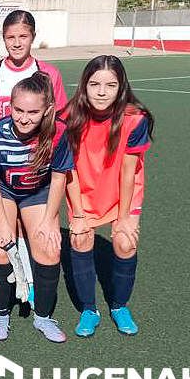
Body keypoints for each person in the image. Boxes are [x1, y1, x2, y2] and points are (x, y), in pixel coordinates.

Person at [0, 72, 73, 343]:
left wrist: (48, 220)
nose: (24, 118)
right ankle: (0, 313)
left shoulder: (59, 132)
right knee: (0, 245)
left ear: (48, 110)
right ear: (10, 106)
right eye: (18, 110)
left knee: (49, 247)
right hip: (2, 191)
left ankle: (43, 317)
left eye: (33, 112)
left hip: (37, 192)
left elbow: (58, 179)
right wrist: (4, 223)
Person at [64, 55, 154, 337]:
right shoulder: (69, 118)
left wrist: (125, 218)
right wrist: (78, 214)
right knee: (79, 238)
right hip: (84, 188)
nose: (101, 92)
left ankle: (119, 305)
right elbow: (69, 170)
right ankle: (89, 309)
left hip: (122, 191)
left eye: (110, 85)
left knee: (125, 243)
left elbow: (129, 173)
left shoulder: (134, 119)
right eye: (94, 84)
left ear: (121, 87)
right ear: (84, 86)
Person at [0, 10, 67, 125]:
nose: (17, 44)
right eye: (10, 37)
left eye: (23, 36)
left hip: (37, 143)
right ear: (3, 38)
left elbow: (61, 117)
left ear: (33, 37)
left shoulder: (50, 73)